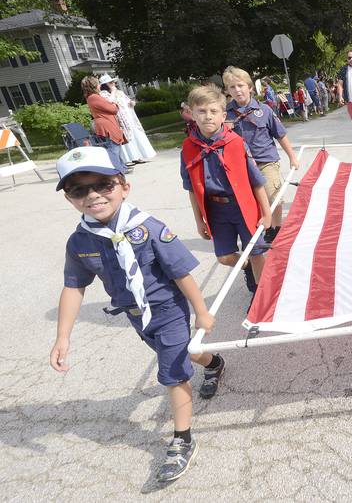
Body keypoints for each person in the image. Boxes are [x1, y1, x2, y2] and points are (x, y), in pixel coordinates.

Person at [50, 145, 223, 483]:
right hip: (135, 316)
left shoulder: (149, 227)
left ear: (124, 186)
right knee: (182, 354)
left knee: (172, 372)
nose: (93, 195)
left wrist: (200, 311)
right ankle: (214, 363)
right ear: (69, 197)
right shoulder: (80, 241)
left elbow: (180, 272)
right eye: (79, 190)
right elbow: (74, 286)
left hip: (168, 310)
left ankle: (182, 440)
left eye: (104, 184)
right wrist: (63, 336)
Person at [180, 84, 271, 295]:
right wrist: (198, 220)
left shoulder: (236, 143)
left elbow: (257, 181)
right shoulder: (188, 148)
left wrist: (266, 214)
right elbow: (191, 188)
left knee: (257, 252)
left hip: (243, 207)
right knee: (224, 257)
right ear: (192, 114)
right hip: (216, 211)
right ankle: (246, 266)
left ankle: (263, 297)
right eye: (201, 111)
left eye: (213, 111)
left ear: (223, 115)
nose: (207, 117)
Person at [223, 66, 300, 263]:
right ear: (227, 91)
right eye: (232, 87)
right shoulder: (225, 115)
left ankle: (276, 228)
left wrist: (292, 156)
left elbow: (280, 134)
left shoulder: (263, 110)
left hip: (266, 161)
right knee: (251, 200)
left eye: (240, 85)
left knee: (273, 194)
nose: (237, 90)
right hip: (241, 165)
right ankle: (259, 228)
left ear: (249, 87)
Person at [98, 74, 157, 165]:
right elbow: (110, 102)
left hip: (129, 118)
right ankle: (129, 159)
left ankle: (138, 156)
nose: (113, 83)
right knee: (126, 137)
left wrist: (131, 103)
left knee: (135, 136)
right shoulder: (103, 94)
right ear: (105, 85)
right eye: (110, 82)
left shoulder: (119, 92)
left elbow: (127, 100)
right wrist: (113, 91)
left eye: (113, 82)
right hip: (119, 120)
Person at [81, 75, 127, 173]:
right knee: (113, 149)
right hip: (106, 125)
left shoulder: (94, 97)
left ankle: (121, 167)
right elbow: (113, 109)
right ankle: (117, 170)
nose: (100, 86)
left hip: (108, 123)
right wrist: (114, 102)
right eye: (97, 84)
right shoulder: (94, 97)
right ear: (94, 85)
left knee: (115, 147)